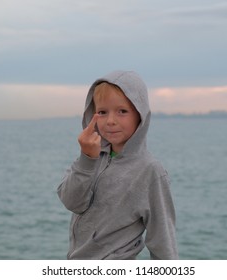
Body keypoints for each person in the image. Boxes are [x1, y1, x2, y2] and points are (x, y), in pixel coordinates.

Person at [57, 70, 178, 259]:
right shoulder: (90, 157)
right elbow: (72, 202)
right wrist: (87, 159)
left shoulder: (150, 171)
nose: (110, 121)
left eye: (122, 111)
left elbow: (162, 241)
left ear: (140, 114)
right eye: (102, 112)